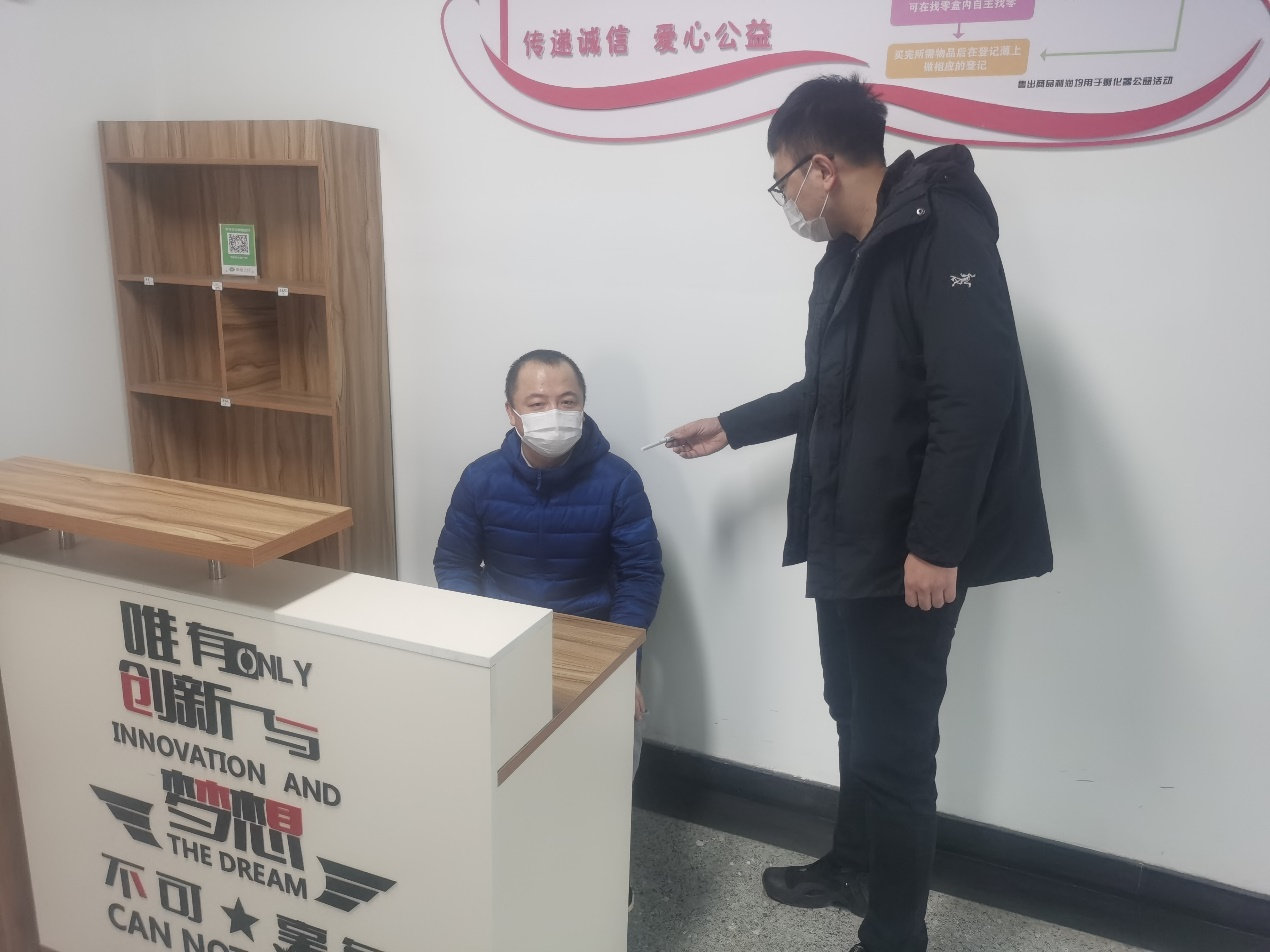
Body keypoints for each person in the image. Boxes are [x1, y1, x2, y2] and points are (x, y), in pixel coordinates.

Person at [663, 76, 1052, 952]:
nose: (786, 201)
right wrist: (733, 424)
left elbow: (974, 400)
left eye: (782, 181)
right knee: (852, 712)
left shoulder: (941, 234)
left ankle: (895, 934)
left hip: (909, 551)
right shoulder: (847, 255)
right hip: (849, 532)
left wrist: (936, 546)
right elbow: (831, 388)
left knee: (898, 749)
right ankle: (852, 864)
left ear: (822, 168)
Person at [433, 348, 663, 770]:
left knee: (602, 770)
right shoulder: (480, 479)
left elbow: (641, 575)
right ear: (511, 412)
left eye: (567, 401)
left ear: (583, 406)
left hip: (591, 634)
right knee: (493, 767)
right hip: (501, 634)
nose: (554, 414)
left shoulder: (619, 481)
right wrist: (477, 635)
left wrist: (618, 662)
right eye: (537, 404)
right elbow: (454, 565)